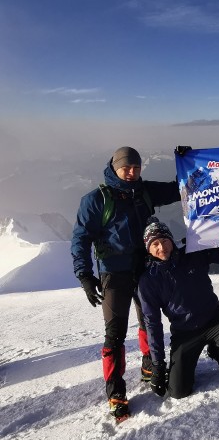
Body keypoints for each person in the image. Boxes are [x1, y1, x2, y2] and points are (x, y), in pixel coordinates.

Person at [71, 146, 181, 421]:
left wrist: (185, 161)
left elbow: (177, 189)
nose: (131, 173)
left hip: (144, 269)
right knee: (115, 332)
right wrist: (84, 274)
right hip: (114, 274)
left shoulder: (144, 190)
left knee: (148, 319)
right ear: (115, 167)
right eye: (126, 168)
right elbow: (81, 238)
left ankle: (148, 365)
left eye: (136, 168)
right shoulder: (96, 199)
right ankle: (116, 392)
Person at [138, 218, 219, 399]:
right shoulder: (148, 281)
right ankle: (199, 356)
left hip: (214, 319)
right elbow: (152, 324)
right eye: (155, 244)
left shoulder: (192, 255)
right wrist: (158, 365)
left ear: (171, 240)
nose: (161, 247)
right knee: (178, 391)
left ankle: (217, 350)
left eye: (164, 240)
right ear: (148, 249)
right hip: (185, 332)